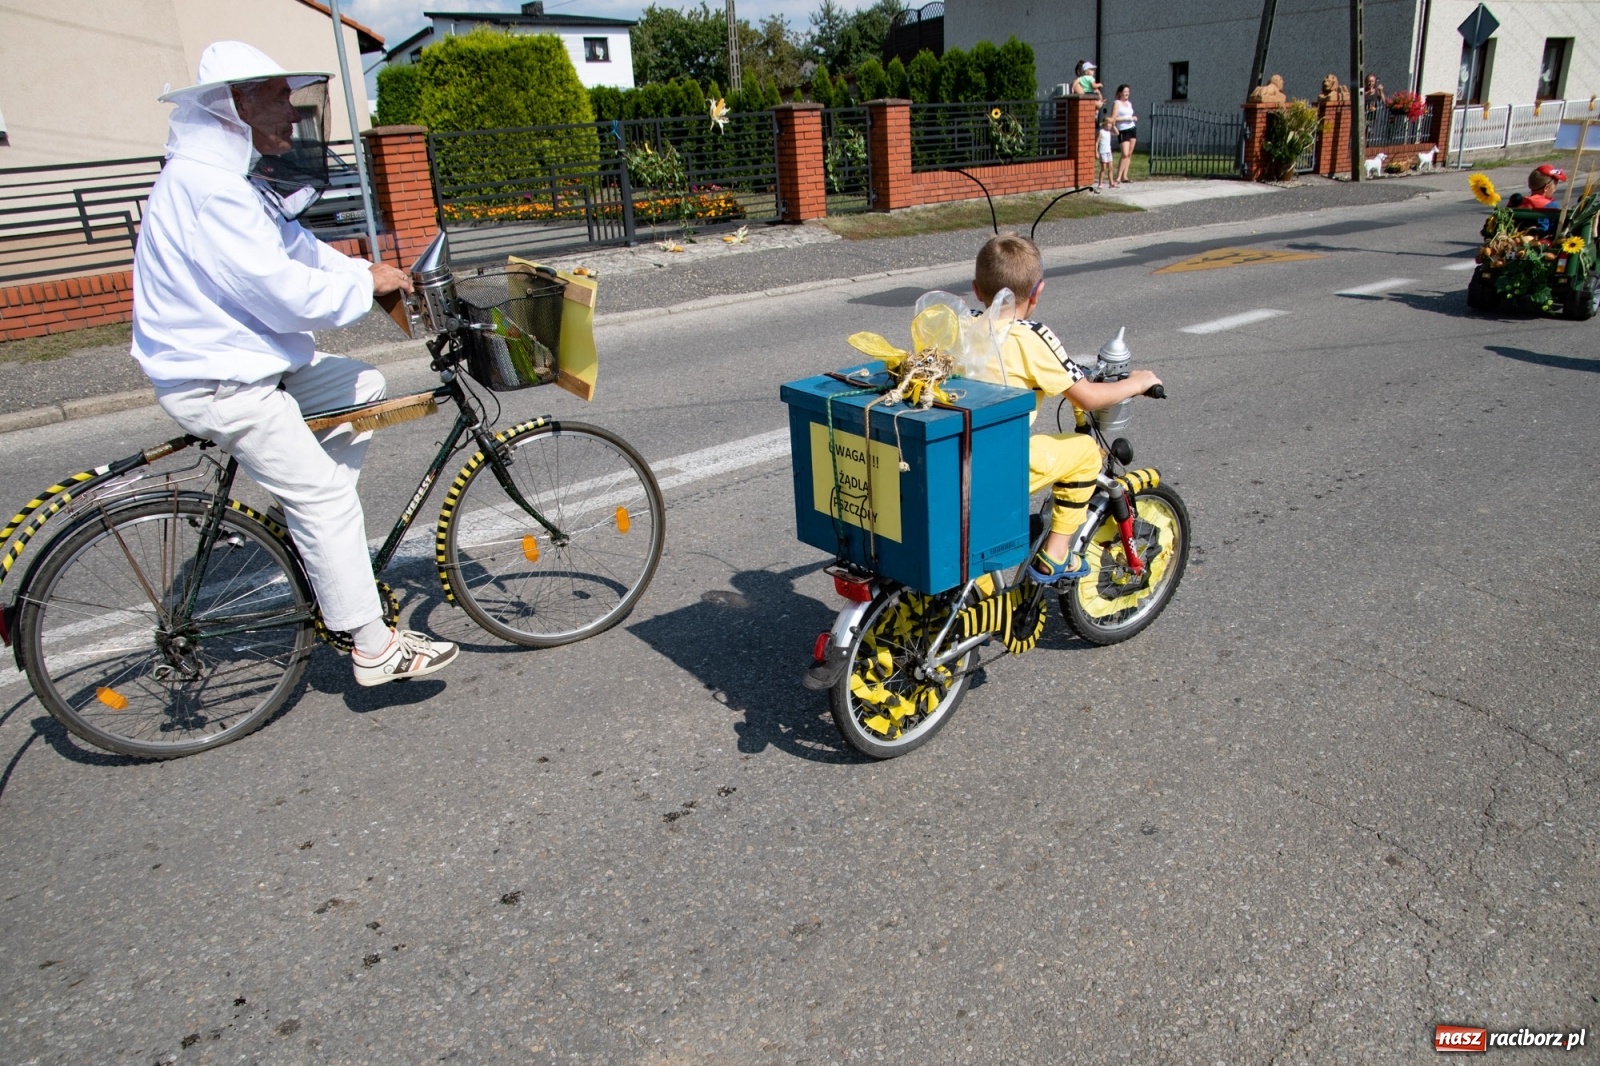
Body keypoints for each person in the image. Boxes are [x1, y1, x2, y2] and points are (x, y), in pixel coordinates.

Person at [130, 41, 459, 687]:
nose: (290, 108)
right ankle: (373, 647)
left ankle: (298, 529)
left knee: (361, 383)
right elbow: (281, 292)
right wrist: (366, 289)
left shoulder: (231, 181)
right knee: (330, 499)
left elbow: (299, 250)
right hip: (221, 380)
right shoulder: (210, 189)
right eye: (277, 95)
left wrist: (367, 269)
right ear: (237, 103)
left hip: (239, 365)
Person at [970, 234, 1161, 583]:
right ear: (1038, 291)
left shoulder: (960, 325)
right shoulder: (1029, 337)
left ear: (976, 290)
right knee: (1086, 452)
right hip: (997, 463)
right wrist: (1136, 382)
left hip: (950, 457)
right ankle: (1056, 554)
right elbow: (1086, 396)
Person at [1111, 84, 1138, 185]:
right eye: (1125, 91)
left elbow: (1130, 115)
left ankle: (1124, 176)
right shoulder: (1117, 103)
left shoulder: (1129, 103)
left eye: (1128, 91)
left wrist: (1133, 118)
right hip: (1123, 130)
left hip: (1132, 128)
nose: (1127, 93)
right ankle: (1118, 177)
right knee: (1125, 153)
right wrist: (1127, 118)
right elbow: (1113, 118)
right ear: (1120, 93)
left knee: (1129, 154)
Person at [1096, 115, 1116, 188]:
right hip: (1103, 152)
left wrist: (1114, 126)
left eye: (1111, 124)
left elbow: (1117, 133)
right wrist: (1096, 152)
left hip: (1108, 151)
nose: (1109, 125)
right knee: (1103, 168)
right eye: (1108, 123)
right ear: (1104, 123)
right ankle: (1100, 183)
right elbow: (1097, 142)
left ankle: (1111, 183)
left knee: (1110, 167)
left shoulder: (1109, 132)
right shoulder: (1101, 132)